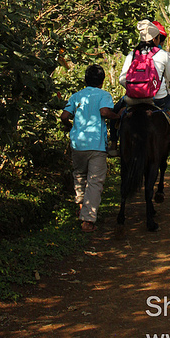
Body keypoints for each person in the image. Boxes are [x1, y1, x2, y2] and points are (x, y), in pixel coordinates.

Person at [116, 19, 170, 156]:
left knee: (115, 112)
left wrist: (135, 89)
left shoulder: (132, 55)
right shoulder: (164, 55)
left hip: (133, 99)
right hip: (159, 99)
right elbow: (169, 77)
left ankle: (113, 145)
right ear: (156, 39)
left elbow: (122, 79)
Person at [60, 64, 119, 232]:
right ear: (102, 81)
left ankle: (81, 207)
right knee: (95, 181)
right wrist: (117, 116)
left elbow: (64, 116)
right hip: (96, 145)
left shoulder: (77, 96)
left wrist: (69, 126)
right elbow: (104, 112)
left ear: (85, 80)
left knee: (79, 175)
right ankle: (88, 219)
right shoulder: (104, 95)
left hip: (78, 144)